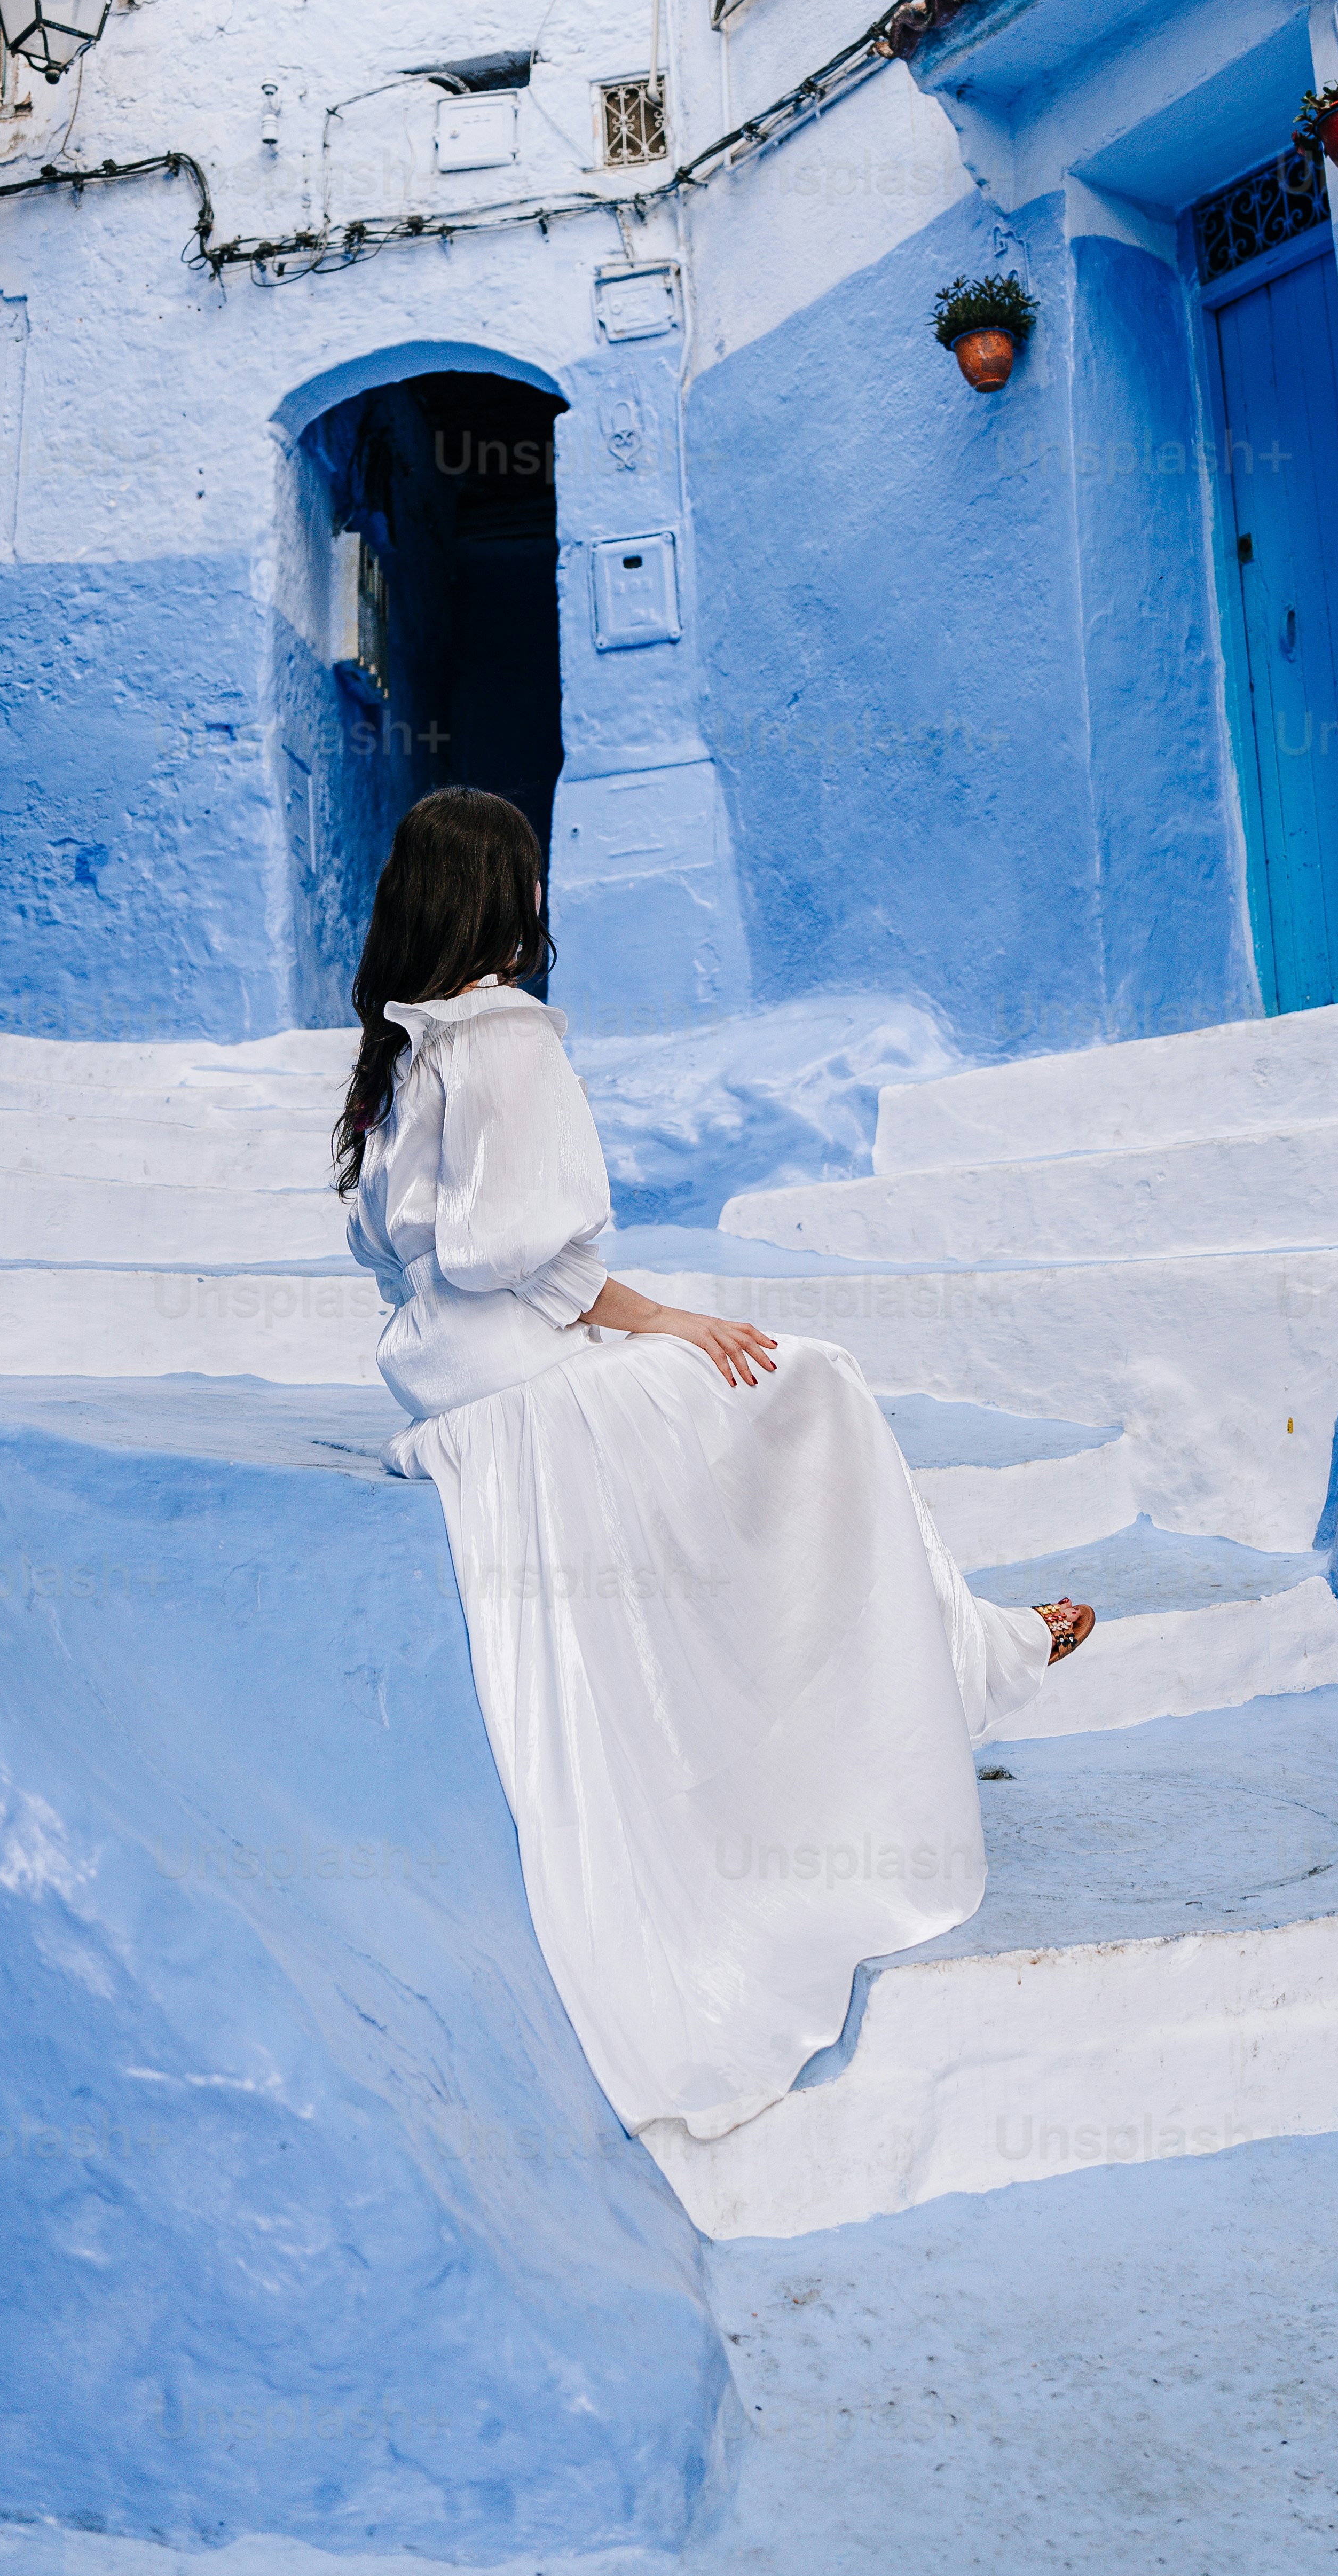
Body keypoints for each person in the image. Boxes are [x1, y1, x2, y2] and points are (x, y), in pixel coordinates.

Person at [337, 787, 1096, 2146]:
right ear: (507, 905)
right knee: (817, 1390)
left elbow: (450, 1265)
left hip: (446, 1400)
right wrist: (665, 1319)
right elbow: (524, 1255)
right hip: (527, 1393)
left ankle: (973, 1644)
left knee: (745, 1403)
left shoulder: (401, 1061)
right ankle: (965, 1660)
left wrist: (657, 1322)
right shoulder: (502, 1041)